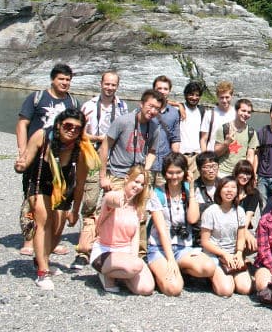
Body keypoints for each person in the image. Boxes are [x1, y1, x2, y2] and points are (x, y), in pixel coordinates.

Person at [13, 107, 97, 289]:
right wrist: (20, 165)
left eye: (77, 128)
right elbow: (26, 161)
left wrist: (75, 211)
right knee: (44, 221)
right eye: (68, 125)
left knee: (58, 229)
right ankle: (43, 272)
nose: (72, 130)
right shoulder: (42, 136)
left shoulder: (81, 148)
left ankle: (41, 258)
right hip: (40, 181)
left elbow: (81, 183)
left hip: (63, 187)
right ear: (58, 125)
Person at [15, 62, 77, 255]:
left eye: (67, 79)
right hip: (37, 157)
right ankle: (28, 239)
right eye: (61, 79)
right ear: (53, 79)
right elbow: (22, 124)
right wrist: (24, 151)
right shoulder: (37, 98)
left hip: (61, 160)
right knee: (31, 198)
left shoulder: (73, 103)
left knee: (56, 200)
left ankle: (50, 238)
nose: (64, 82)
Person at [145, 152, 216, 296]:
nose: (174, 176)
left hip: (183, 247)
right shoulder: (157, 194)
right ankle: (158, 270)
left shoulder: (189, 190)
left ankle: (179, 269)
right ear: (165, 173)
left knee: (208, 267)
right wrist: (170, 259)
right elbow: (162, 230)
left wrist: (190, 188)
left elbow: (193, 219)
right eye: (170, 173)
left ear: (185, 172)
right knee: (174, 289)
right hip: (160, 247)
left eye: (178, 172)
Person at [76, 71, 127, 266]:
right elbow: (78, 132)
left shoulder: (122, 107)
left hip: (114, 159)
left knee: (107, 201)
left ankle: (98, 241)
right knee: (90, 200)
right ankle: (84, 246)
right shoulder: (88, 106)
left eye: (113, 85)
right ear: (101, 84)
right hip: (91, 156)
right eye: (107, 84)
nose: (110, 88)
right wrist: (99, 139)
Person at [89, 164, 155, 295]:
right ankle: (106, 274)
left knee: (146, 288)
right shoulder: (114, 196)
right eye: (136, 181)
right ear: (127, 179)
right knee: (135, 266)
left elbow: (135, 237)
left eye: (142, 184)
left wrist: (134, 258)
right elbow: (110, 199)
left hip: (126, 253)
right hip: (105, 251)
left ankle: (121, 274)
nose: (138, 187)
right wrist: (118, 200)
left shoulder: (138, 206)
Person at [100, 89, 164, 192]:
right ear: (141, 104)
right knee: (113, 205)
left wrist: (145, 171)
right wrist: (103, 177)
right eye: (150, 106)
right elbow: (105, 146)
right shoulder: (123, 121)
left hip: (138, 177)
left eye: (157, 108)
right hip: (118, 175)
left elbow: (152, 152)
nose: (152, 111)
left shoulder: (155, 128)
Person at [200, 176, 252, 296]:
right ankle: (211, 277)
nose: (229, 190)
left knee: (245, 289)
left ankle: (229, 275)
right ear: (219, 190)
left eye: (233, 187)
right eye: (226, 187)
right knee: (226, 290)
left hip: (233, 254)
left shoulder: (240, 211)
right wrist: (224, 254)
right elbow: (205, 242)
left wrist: (239, 253)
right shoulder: (211, 211)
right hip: (215, 254)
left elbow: (241, 236)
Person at [148, 75, 182, 187]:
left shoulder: (174, 113)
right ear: (154, 89)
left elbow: (175, 139)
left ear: (169, 91)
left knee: (162, 198)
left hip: (164, 164)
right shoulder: (145, 110)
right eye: (159, 88)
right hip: (146, 163)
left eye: (165, 89)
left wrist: (174, 162)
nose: (162, 91)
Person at [215, 98, 259, 177]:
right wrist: (226, 143)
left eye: (249, 112)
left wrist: (249, 173)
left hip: (240, 173)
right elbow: (216, 153)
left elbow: (250, 156)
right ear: (236, 110)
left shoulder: (251, 132)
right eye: (243, 110)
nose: (245, 114)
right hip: (223, 172)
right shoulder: (224, 128)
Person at [177, 81, 206, 180]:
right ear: (185, 95)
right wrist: (178, 104)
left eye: (197, 95)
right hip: (181, 156)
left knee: (194, 188)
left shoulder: (202, 110)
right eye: (191, 94)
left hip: (196, 157)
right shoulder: (178, 109)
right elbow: (161, 100)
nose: (194, 98)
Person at [232, 159, 260, 254]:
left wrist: (244, 232)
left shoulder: (254, 193)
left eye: (248, 174)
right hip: (227, 225)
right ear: (236, 173)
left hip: (242, 226)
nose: (245, 177)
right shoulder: (229, 189)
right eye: (242, 173)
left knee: (255, 244)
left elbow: (247, 217)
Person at [199, 81, 234, 152]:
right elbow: (203, 139)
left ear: (232, 96)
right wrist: (205, 158)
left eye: (227, 97)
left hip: (231, 156)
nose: (224, 100)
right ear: (217, 97)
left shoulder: (237, 114)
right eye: (222, 97)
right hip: (213, 155)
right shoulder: (209, 114)